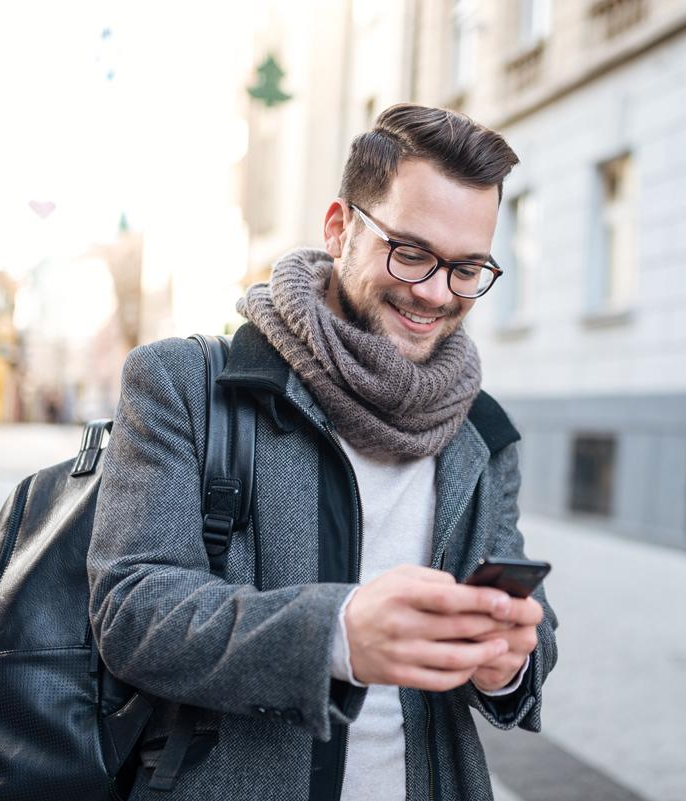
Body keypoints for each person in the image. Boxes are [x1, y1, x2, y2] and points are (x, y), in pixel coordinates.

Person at [87, 103, 559, 801]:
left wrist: (509, 661)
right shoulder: (186, 385)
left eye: (467, 268)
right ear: (339, 229)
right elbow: (132, 612)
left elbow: (531, 643)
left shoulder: (482, 434)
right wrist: (336, 633)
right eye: (412, 252)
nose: (435, 292)